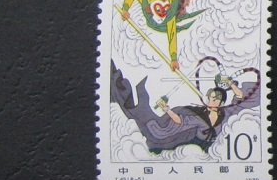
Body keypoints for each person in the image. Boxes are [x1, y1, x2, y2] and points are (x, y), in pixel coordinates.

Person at [119, 0, 256, 71]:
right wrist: (174, 59)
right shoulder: (168, 19)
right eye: (162, 11)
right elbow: (172, 38)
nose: (162, 12)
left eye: (163, 9)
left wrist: (125, 8)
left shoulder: (148, 3)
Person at [110, 62, 259, 154]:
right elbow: (179, 121)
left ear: (222, 101)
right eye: (211, 97)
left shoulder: (226, 113)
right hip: (196, 144)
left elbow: (239, 96)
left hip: (213, 147)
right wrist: (167, 109)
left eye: (216, 99)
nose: (212, 100)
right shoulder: (199, 116)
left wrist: (230, 83)